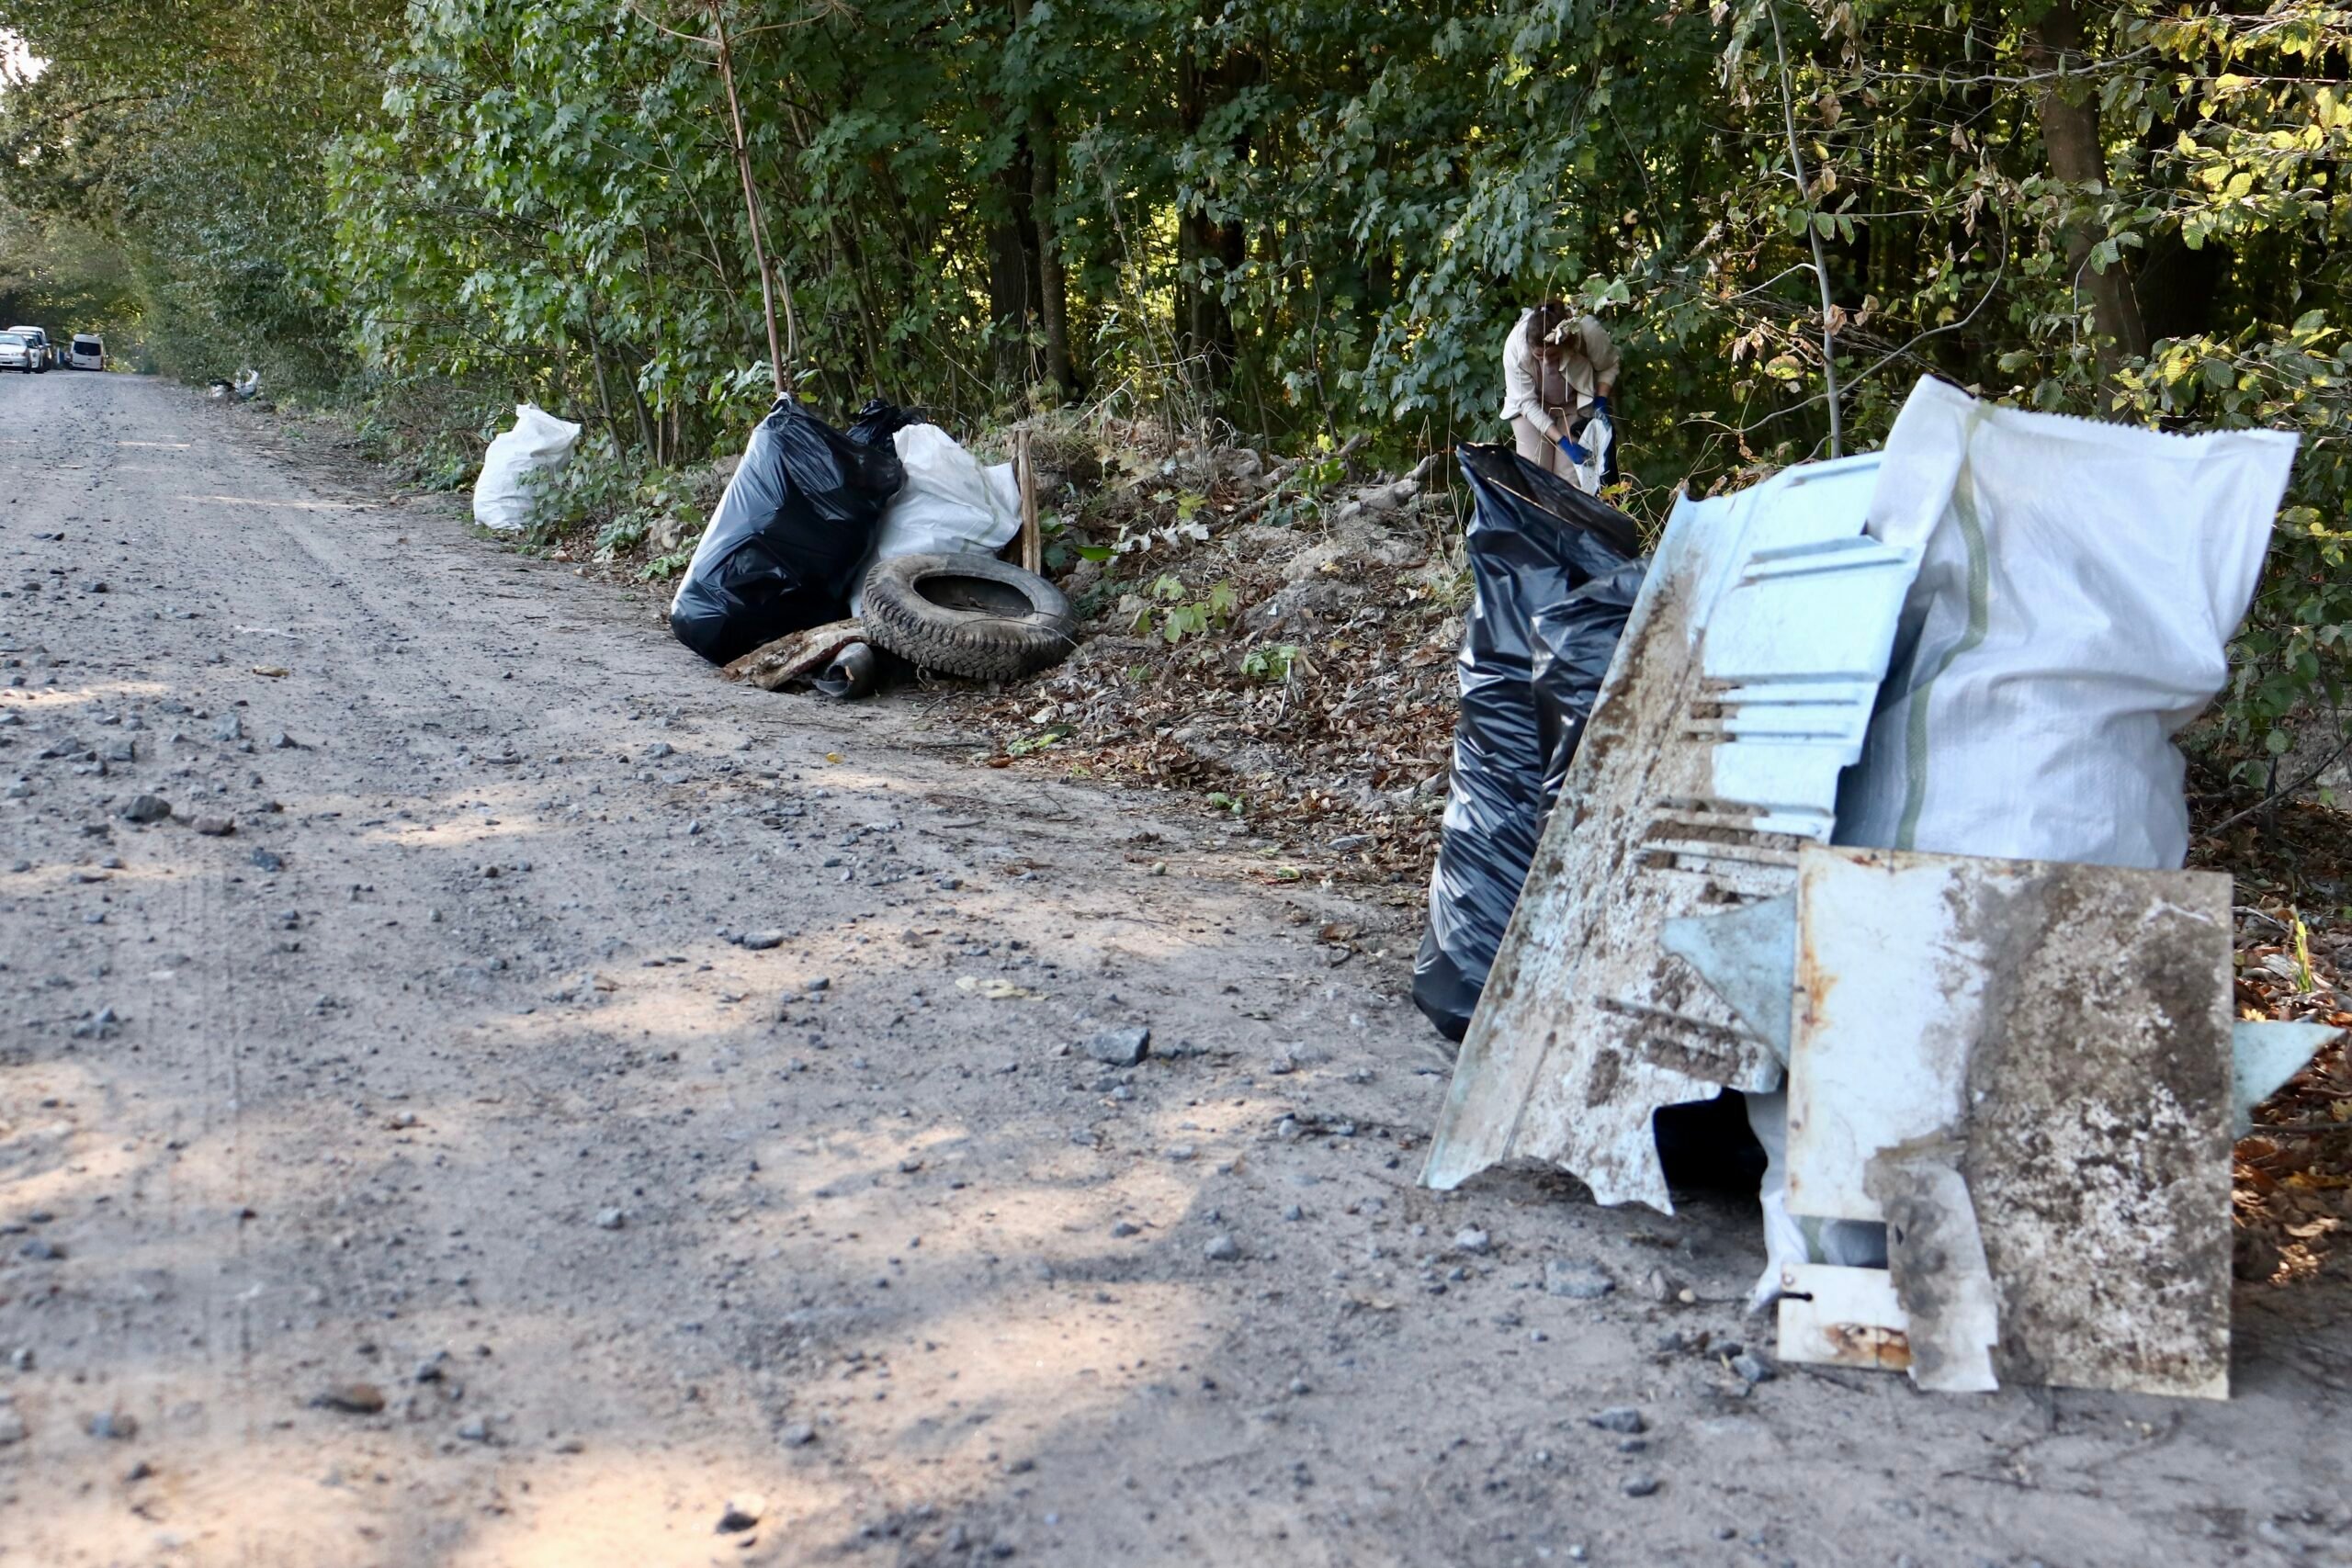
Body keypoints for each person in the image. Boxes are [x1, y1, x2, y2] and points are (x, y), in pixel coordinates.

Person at [1499, 301, 1620, 485]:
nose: (1547, 363)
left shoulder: (1587, 332)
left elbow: (1609, 365)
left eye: (1553, 355)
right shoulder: (1515, 347)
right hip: (1532, 408)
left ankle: (1567, 513)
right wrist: (1563, 442)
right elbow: (1526, 403)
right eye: (1540, 356)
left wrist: (1601, 402)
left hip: (1573, 405)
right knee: (1536, 476)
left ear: (1566, 344)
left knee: (1571, 479)